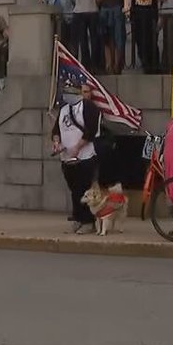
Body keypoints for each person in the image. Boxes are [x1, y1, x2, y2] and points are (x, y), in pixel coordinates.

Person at [51, 80, 102, 235]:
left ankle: (88, 221)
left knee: (84, 188)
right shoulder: (64, 109)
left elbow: (91, 130)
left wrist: (78, 147)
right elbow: (56, 130)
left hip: (84, 156)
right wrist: (56, 142)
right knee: (74, 189)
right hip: (67, 158)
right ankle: (78, 218)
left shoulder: (88, 107)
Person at [125, 0, 161, 74]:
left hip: (150, 13)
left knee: (151, 40)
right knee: (140, 40)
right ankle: (144, 63)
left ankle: (154, 65)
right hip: (137, 13)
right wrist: (127, 7)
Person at [67, 0, 101, 70]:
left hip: (92, 11)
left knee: (94, 39)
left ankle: (95, 64)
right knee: (82, 39)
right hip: (79, 12)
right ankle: (85, 64)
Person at [97, 0, 126, 75]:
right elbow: (98, 0)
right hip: (105, 11)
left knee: (118, 39)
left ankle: (117, 64)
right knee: (106, 40)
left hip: (116, 11)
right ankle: (109, 63)